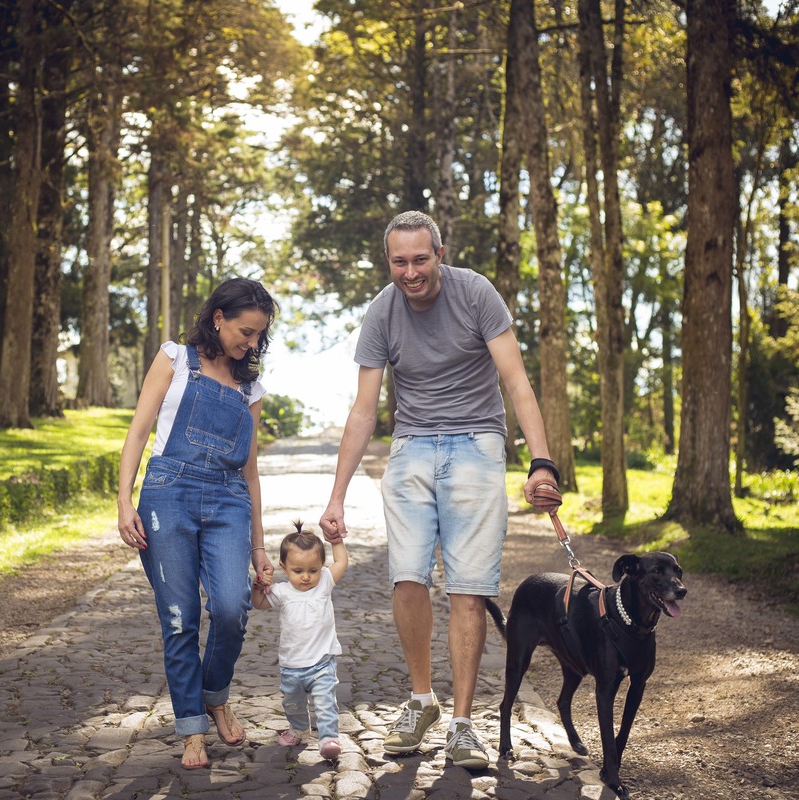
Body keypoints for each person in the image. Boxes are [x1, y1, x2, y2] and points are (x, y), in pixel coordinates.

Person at [318, 210, 560, 770]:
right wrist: (336, 496)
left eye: (420, 259)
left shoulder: (477, 294)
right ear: (389, 262)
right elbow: (363, 409)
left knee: (468, 590)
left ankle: (463, 724)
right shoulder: (381, 311)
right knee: (407, 578)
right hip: (411, 448)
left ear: (439, 253)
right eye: (399, 262)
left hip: (477, 444)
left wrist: (540, 463)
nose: (410, 272)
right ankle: (422, 701)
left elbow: (516, 381)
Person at [117, 277, 277, 770]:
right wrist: (124, 501)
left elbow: (249, 467)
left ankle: (215, 694)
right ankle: (191, 730)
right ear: (218, 318)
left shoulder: (250, 387)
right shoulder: (174, 359)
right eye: (245, 332)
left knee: (231, 608)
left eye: (258, 337)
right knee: (180, 617)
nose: (250, 344)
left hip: (229, 499)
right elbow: (139, 429)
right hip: (168, 494)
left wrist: (259, 546)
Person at [251, 521, 349, 761]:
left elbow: (342, 562)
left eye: (313, 570)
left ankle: (329, 738)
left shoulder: (325, 582)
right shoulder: (282, 591)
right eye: (298, 571)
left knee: (326, 702)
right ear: (284, 567)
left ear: (321, 567)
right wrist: (258, 587)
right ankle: (298, 729)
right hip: (291, 666)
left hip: (322, 662)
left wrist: (336, 541)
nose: (306, 577)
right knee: (292, 704)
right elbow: (259, 604)